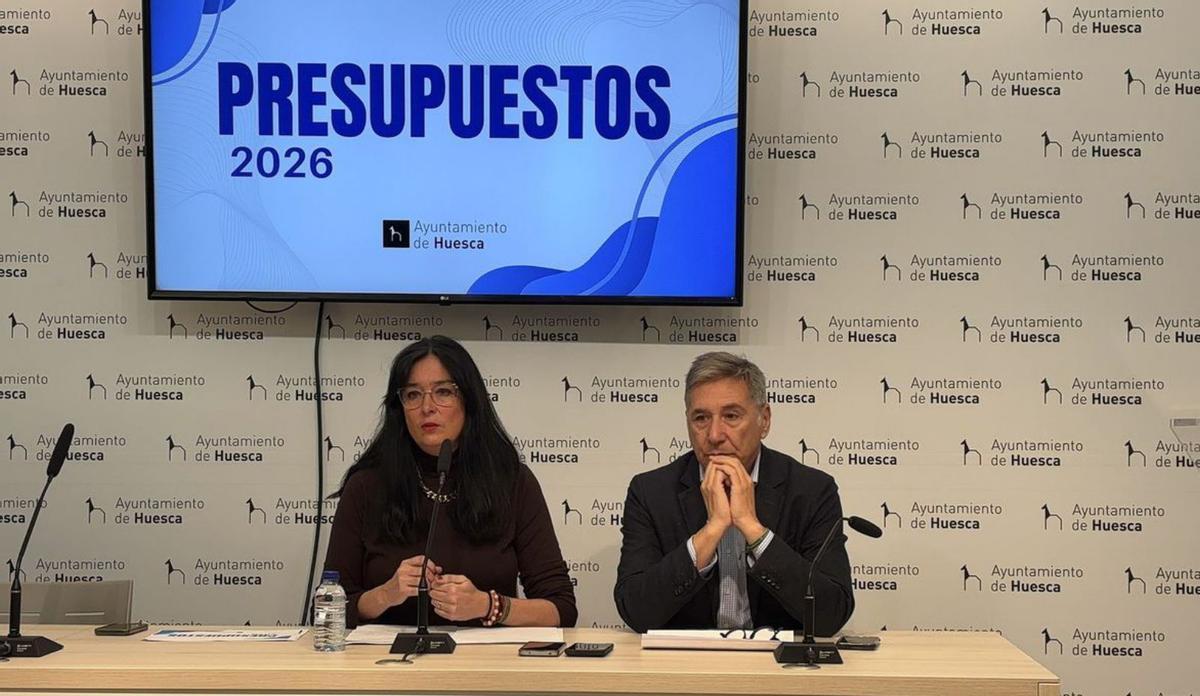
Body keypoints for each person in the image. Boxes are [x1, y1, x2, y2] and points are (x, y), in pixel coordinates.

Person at [324, 335, 576, 629]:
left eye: (443, 392)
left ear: (469, 400)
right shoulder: (367, 485)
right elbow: (328, 609)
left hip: (483, 668)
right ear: (399, 407)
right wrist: (386, 594)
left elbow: (562, 609)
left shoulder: (511, 481)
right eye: (413, 395)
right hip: (385, 667)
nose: (427, 407)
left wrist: (487, 605)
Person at [614, 351, 854, 633]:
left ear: (764, 420)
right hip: (682, 665)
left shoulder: (811, 491)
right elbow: (636, 610)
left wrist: (752, 529)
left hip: (778, 667)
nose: (715, 434)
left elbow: (831, 613)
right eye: (701, 418)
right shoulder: (651, 492)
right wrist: (712, 530)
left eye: (731, 416)